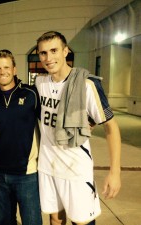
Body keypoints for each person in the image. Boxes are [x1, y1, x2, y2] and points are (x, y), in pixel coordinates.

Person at [35, 31, 121, 225]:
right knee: (55, 219)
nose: (48, 58)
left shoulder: (87, 84)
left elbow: (111, 126)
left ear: (66, 51)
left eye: (54, 50)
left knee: (81, 222)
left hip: (76, 169)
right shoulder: (40, 83)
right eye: (43, 53)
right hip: (48, 166)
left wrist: (114, 172)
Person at [0, 49, 42, 225]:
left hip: (27, 174)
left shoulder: (31, 94)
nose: (3, 72)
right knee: (4, 222)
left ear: (14, 69)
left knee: (32, 222)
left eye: (7, 67)